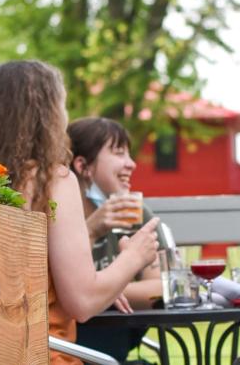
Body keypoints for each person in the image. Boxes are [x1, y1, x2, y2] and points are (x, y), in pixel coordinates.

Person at [0, 61, 160, 365]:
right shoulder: (52, 180)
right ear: (45, 116)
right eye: (61, 107)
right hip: (39, 355)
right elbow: (83, 302)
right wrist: (134, 257)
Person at [68, 116, 167, 363]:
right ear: (83, 166)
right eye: (118, 153)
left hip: (117, 340)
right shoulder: (56, 216)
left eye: (129, 154)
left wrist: (105, 289)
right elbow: (62, 299)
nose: (131, 164)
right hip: (70, 344)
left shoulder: (135, 213)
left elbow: (160, 288)